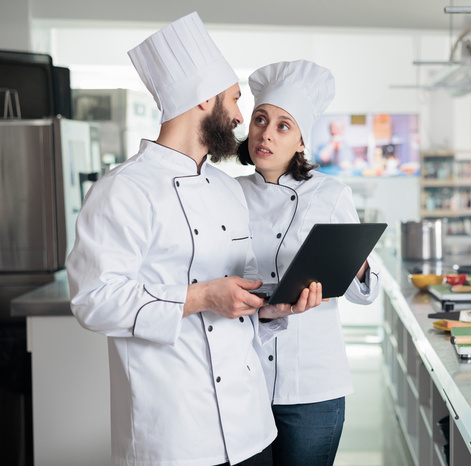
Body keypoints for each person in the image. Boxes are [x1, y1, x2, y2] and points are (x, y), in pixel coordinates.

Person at [66, 13, 322, 466]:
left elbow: (237, 296)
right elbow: (94, 300)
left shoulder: (226, 189)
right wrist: (201, 296)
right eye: (236, 101)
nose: (243, 117)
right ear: (205, 99)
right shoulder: (123, 189)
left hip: (250, 429)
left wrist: (268, 309)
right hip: (173, 435)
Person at [235, 60, 381, 466]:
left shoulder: (331, 194)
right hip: (243, 381)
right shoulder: (225, 194)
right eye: (260, 120)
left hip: (314, 384)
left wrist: (356, 263)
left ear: (301, 141)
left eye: (283, 126)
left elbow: (365, 295)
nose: (266, 133)